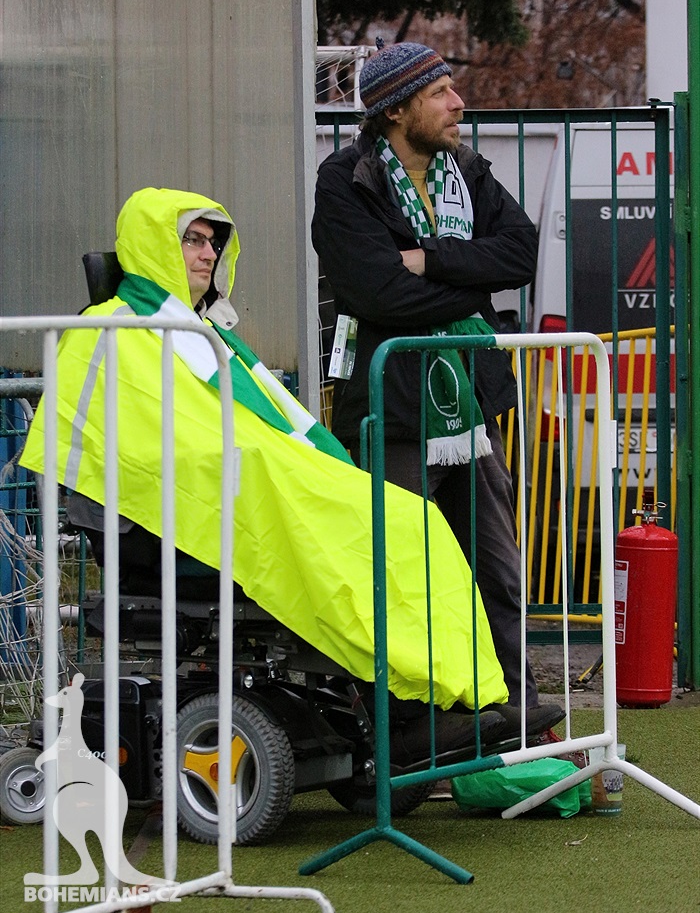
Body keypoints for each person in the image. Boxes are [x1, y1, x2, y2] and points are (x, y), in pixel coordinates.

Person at [21, 186, 516, 761]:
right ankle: (405, 718)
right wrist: (262, 467)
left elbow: (248, 428)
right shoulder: (107, 332)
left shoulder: (200, 334)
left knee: (410, 521)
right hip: (155, 529)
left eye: (212, 242)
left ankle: (452, 701)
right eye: (191, 240)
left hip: (232, 500)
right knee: (355, 538)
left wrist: (286, 463)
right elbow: (135, 453)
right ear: (154, 245)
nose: (207, 254)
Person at [312, 42, 563, 736]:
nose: (458, 104)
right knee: (404, 575)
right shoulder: (346, 179)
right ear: (395, 108)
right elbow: (375, 291)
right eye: (440, 92)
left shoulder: (465, 170)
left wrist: (434, 259)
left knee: (496, 570)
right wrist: (471, 289)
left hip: (468, 408)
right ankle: (409, 727)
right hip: (391, 412)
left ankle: (514, 712)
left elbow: (521, 251)